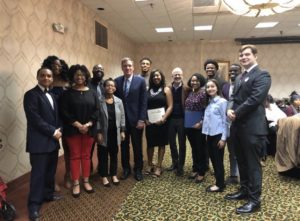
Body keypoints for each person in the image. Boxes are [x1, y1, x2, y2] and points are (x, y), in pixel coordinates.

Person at [226, 44, 271, 214]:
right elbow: (232, 97)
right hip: (237, 127)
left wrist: (235, 113)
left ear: (255, 56)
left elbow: (254, 99)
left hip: (253, 128)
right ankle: (244, 191)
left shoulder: (262, 75)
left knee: (253, 165)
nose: (243, 57)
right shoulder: (238, 78)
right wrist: (228, 109)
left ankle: (254, 200)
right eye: (241, 55)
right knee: (241, 161)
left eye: (247, 55)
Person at [24, 68, 63, 221]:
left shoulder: (53, 96)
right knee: (38, 175)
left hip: (53, 142)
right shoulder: (31, 95)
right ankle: (33, 206)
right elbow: (34, 119)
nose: (46, 78)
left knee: (50, 172)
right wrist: (53, 131)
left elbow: (57, 117)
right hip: (39, 143)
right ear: (38, 77)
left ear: (52, 78)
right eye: (43, 75)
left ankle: (48, 195)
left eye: (49, 75)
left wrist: (60, 128)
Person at [60, 64, 101, 198]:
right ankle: (76, 182)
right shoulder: (67, 94)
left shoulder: (93, 93)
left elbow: (97, 110)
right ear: (73, 76)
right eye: (77, 75)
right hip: (72, 130)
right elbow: (64, 112)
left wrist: (88, 124)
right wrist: (78, 125)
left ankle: (86, 181)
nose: (79, 77)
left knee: (86, 155)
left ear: (86, 77)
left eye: (82, 75)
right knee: (74, 156)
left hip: (89, 129)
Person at [115, 57, 147, 181]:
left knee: (137, 146)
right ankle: (126, 168)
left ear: (133, 67)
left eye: (129, 66)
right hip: (122, 121)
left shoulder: (140, 81)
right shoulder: (117, 81)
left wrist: (142, 119)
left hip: (136, 120)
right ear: (122, 67)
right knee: (123, 146)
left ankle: (138, 169)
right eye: (125, 66)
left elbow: (143, 101)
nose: (127, 68)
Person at [42, 56, 71, 190]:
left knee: (68, 150)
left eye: (59, 66)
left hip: (66, 119)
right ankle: (52, 180)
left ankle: (68, 176)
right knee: (51, 152)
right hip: (51, 120)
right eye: (54, 65)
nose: (56, 68)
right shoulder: (47, 81)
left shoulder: (67, 81)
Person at [145, 69, 173, 177]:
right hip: (150, 122)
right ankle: (150, 164)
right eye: (154, 76)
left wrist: (164, 118)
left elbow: (170, 106)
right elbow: (144, 106)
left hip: (162, 122)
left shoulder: (166, 89)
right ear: (151, 78)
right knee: (150, 144)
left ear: (161, 77)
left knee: (161, 143)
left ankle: (159, 167)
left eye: (158, 75)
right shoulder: (148, 90)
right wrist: (145, 119)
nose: (156, 77)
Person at [97, 78, 125, 186]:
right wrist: (98, 132)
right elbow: (97, 118)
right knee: (103, 155)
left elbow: (122, 116)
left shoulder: (119, 101)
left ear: (115, 88)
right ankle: (104, 176)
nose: (110, 87)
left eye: (112, 85)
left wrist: (122, 131)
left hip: (115, 132)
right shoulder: (99, 100)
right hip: (103, 132)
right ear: (104, 87)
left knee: (114, 154)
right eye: (108, 85)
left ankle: (113, 174)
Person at [202, 79, 228, 192]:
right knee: (213, 159)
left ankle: (220, 185)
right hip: (210, 135)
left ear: (217, 88)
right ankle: (220, 181)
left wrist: (223, 139)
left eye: (212, 86)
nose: (210, 89)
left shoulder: (222, 102)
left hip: (218, 135)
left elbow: (226, 121)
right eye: (208, 87)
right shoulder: (209, 102)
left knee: (218, 161)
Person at [184, 73, 207, 183]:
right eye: (192, 80)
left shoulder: (203, 93)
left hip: (199, 125)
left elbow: (206, 110)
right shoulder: (191, 92)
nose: (194, 82)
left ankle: (201, 171)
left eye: (197, 80)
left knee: (200, 148)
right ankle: (195, 168)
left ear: (201, 81)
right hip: (189, 125)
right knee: (193, 148)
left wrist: (201, 122)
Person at [166, 67, 189, 176]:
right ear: (172, 76)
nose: (177, 76)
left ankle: (180, 166)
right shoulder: (168, 88)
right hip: (170, 119)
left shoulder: (186, 88)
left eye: (179, 74)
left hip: (182, 119)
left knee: (182, 144)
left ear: (182, 75)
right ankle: (174, 163)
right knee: (172, 143)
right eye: (175, 74)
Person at [222, 64, 242, 185]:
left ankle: (242, 176)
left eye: (236, 70)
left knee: (242, 151)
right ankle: (233, 175)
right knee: (231, 151)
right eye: (231, 71)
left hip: (241, 122)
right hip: (227, 123)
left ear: (241, 71)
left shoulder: (244, 85)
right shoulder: (225, 86)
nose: (232, 73)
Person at [88, 64, 105, 174]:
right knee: (89, 147)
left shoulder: (105, 84)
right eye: (96, 69)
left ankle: (101, 167)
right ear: (92, 71)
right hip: (90, 119)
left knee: (102, 145)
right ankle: (88, 169)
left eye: (101, 69)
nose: (99, 70)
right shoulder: (87, 83)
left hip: (103, 119)